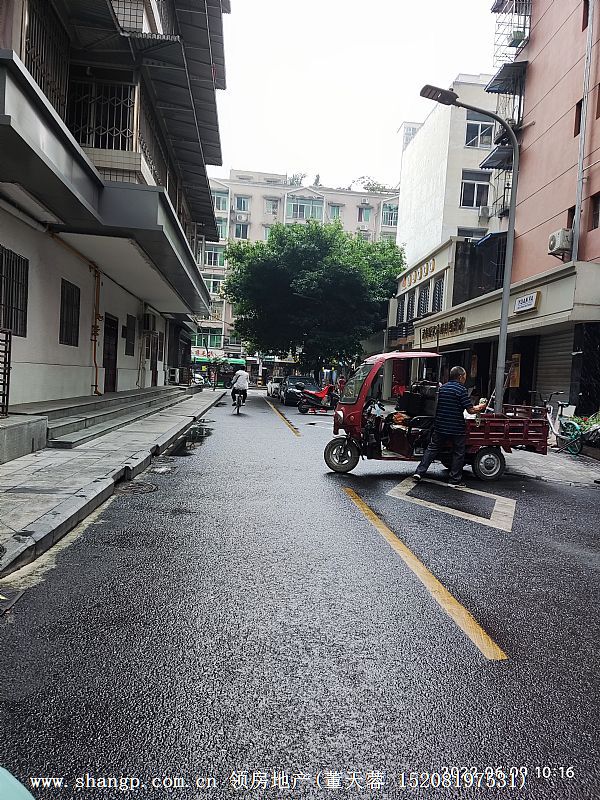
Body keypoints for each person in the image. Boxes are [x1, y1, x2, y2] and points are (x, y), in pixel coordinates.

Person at [413, 365, 486, 486]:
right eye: (465, 376)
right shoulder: (461, 390)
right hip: (456, 428)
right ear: (461, 377)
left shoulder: (442, 388)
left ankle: (419, 472)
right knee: (458, 452)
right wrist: (481, 407)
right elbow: (470, 410)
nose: (465, 379)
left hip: (440, 425)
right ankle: (454, 480)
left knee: (432, 449)